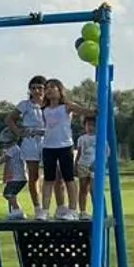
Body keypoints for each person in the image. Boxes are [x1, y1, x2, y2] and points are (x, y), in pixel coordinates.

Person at [37, 78, 82, 220]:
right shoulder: (44, 109)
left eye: (52, 87)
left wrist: (95, 111)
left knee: (69, 178)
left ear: (59, 90)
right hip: (48, 147)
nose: (49, 90)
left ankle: (73, 210)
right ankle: (44, 210)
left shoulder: (67, 106)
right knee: (49, 179)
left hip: (65, 146)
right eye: (47, 88)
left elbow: (83, 111)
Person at [15, 78, 47, 216]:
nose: (37, 91)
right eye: (33, 88)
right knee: (33, 176)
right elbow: (9, 119)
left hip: (48, 139)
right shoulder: (25, 105)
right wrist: (18, 132)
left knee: (55, 175)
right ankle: (38, 208)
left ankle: (57, 207)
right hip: (30, 139)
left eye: (40, 88)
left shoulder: (50, 104)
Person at [0, 130, 28, 218]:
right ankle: (17, 211)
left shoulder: (12, 149)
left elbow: (4, 160)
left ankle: (17, 210)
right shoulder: (16, 149)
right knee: (10, 194)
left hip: (17, 178)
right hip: (20, 177)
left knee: (8, 193)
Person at [75, 117, 100, 218]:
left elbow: (105, 152)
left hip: (94, 166)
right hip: (83, 165)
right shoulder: (82, 138)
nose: (90, 127)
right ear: (84, 126)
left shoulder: (100, 137)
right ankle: (82, 211)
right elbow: (79, 152)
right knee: (83, 188)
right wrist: (75, 164)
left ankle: (97, 211)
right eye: (88, 125)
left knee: (94, 189)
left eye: (93, 125)